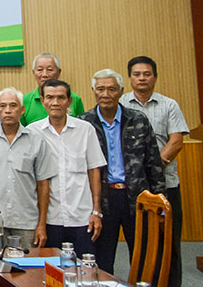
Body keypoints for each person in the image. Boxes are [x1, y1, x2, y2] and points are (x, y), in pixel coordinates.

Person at [79, 69, 165, 275]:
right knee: (102, 259)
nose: (105, 94)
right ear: (93, 91)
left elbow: (154, 164)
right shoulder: (84, 123)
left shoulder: (138, 119)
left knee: (144, 257)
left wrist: (160, 203)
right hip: (102, 199)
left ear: (121, 91)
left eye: (111, 89)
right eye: (100, 89)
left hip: (137, 197)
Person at [119, 56, 190, 286]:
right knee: (140, 244)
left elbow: (176, 141)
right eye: (137, 74)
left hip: (166, 186)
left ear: (155, 77)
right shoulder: (121, 104)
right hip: (134, 189)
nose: (142, 78)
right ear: (130, 78)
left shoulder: (169, 105)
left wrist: (153, 169)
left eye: (147, 74)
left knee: (169, 242)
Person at [30, 80, 105, 257]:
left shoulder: (85, 130)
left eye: (61, 98)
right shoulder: (32, 132)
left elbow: (94, 171)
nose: (55, 102)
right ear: (42, 101)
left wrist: (96, 211)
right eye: (50, 97)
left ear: (69, 101)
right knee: (50, 269)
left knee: (84, 268)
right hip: (50, 218)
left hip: (82, 216)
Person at [0, 88, 56, 249]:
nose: (8, 110)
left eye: (13, 106)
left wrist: (42, 224)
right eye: (3, 106)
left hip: (27, 221)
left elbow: (43, 184)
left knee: (27, 264)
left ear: (22, 110)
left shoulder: (36, 140)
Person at [21, 53, 84, 126]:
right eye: (40, 70)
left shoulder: (74, 98)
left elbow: (81, 126)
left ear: (59, 72)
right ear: (33, 72)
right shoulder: (24, 101)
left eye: (50, 70)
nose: (44, 74)